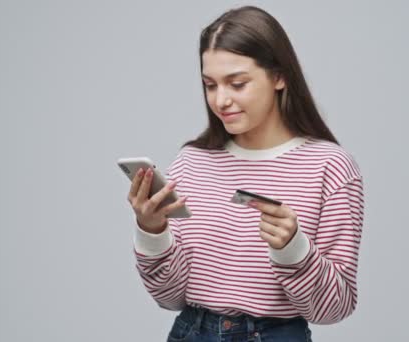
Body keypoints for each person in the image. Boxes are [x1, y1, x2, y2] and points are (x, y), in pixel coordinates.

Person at [126, 6, 365, 342]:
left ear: (279, 76)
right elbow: (170, 298)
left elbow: (333, 309)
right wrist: (153, 231)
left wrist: (294, 249)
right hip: (190, 332)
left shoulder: (330, 168)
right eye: (210, 85)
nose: (221, 100)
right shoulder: (191, 163)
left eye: (237, 84)